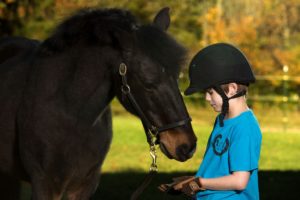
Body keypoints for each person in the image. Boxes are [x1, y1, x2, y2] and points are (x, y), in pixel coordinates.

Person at [158, 43, 262, 199]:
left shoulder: (244, 127)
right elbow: (217, 168)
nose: (207, 98)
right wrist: (192, 180)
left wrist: (199, 183)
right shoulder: (222, 119)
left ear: (232, 88)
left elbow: (240, 181)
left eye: (210, 92)